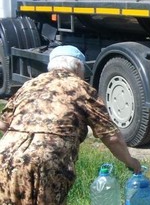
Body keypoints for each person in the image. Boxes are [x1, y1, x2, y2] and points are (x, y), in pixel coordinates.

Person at [0, 45, 141, 204]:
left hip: (4, 156)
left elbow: (4, 124)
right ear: (78, 67)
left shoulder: (29, 85)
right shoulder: (82, 88)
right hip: (46, 162)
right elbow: (111, 136)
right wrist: (131, 162)